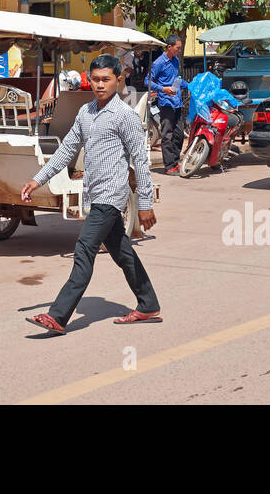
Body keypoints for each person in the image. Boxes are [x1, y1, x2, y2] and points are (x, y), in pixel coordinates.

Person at [22, 53, 159, 334]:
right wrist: (38, 179)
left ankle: (58, 316)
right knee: (123, 253)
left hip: (111, 196)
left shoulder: (126, 117)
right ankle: (148, 304)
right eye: (95, 79)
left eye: (106, 80)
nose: (100, 85)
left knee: (84, 250)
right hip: (93, 195)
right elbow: (67, 149)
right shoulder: (86, 112)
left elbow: (140, 162)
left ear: (119, 81)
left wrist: (145, 203)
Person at [148, 34, 185, 175]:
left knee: (179, 134)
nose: (179, 51)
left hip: (177, 102)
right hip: (166, 103)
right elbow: (148, 82)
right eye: (178, 48)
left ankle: (175, 162)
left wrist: (190, 86)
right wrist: (163, 89)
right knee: (167, 135)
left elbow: (177, 80)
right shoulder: (158, 63)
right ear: (169, 47)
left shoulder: (175, 61)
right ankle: (169, 166)